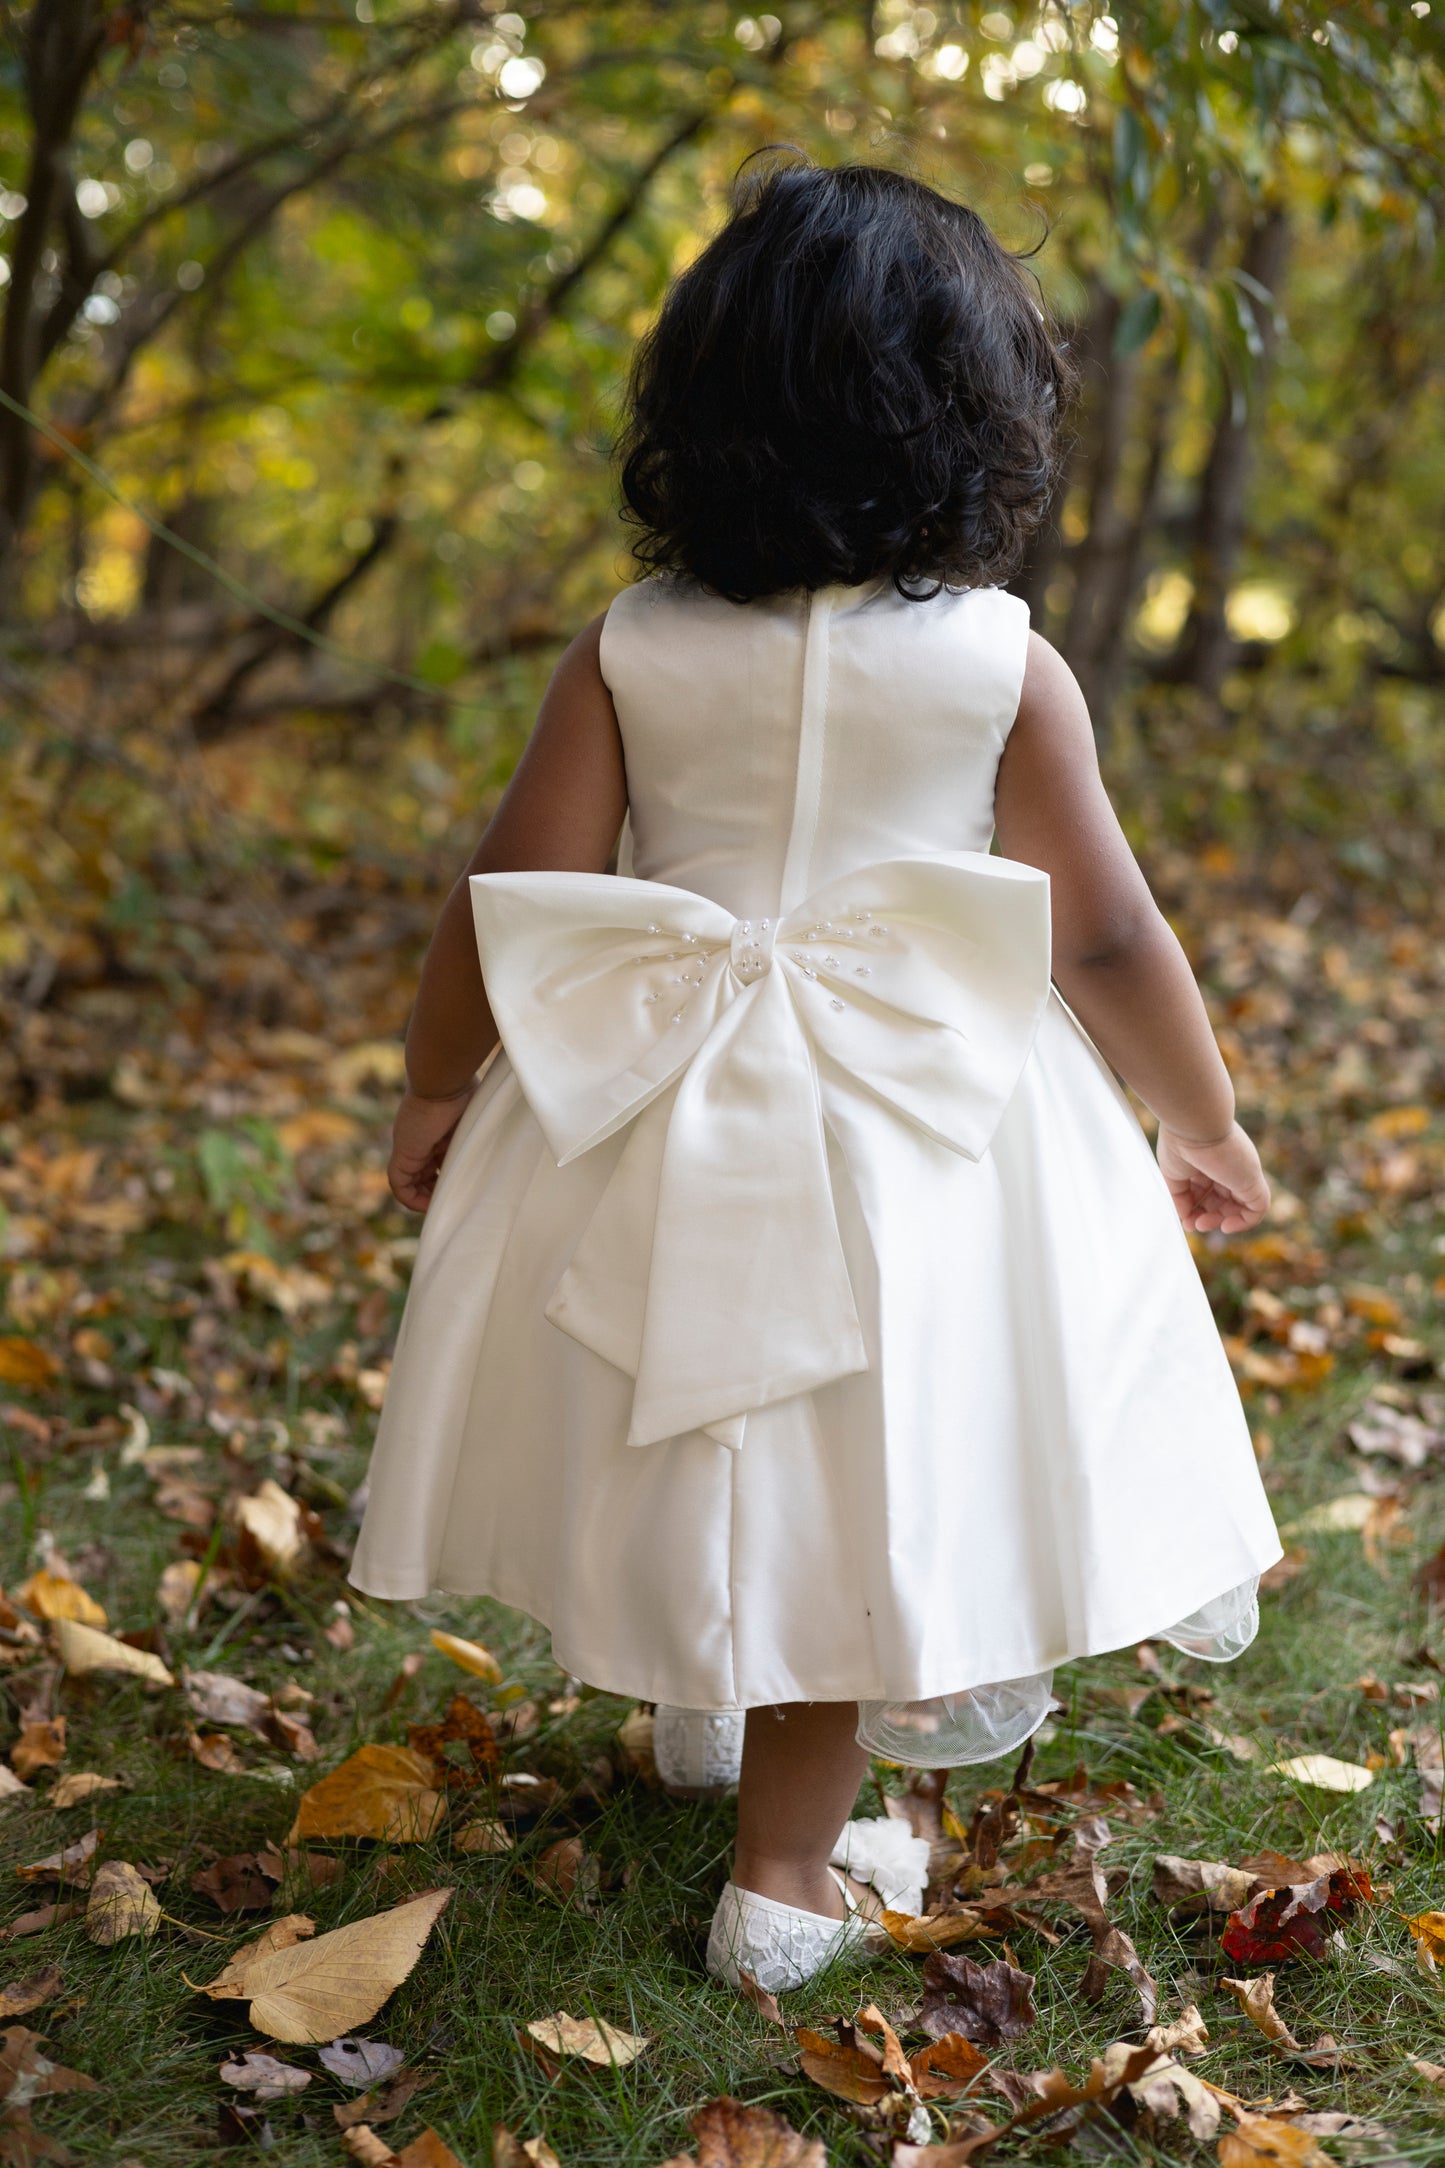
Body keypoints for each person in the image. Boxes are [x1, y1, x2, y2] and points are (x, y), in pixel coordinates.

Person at [348, 157, 1282, 1995]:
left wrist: (436, 1081)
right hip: (922, 1113)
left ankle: (695, 1699)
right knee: (861, 1453)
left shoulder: (630, 646)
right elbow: (1098, 938)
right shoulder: (1000, 667)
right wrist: (1200, 1112)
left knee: (677, 1394)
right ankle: (783, 1881)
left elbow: (508, 893)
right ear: (976, 418)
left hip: (657, 1080)